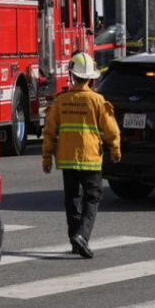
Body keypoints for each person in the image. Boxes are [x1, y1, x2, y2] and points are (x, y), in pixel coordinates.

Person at [41, 51, 121, 259]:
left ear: (72, 75)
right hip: (91, 159)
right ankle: (82, 236)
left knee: (72, 199)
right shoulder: (97, 100)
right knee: (92, 198)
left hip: (67, 159)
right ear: (90, 78)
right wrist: (115, 149)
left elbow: (49, 131)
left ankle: (75, 240)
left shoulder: (61, 101)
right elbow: (111, 130)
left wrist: (47, 158)